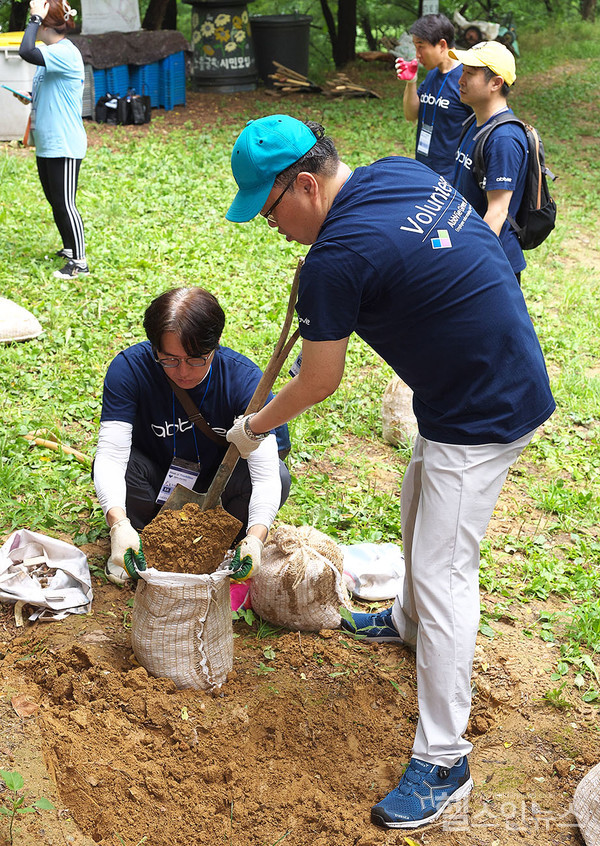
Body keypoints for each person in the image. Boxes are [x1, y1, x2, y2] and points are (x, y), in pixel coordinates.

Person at [224, 114, 555, 829]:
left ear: (304, 185)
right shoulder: (394, 174)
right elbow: (441, 260)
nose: (272, 227)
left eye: (270, 211)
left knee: (444, 575)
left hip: (485, 409)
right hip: (474, 378)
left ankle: (444, 761)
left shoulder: (335, 261)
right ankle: (405, 624)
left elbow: (320, 381)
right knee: (415, 500)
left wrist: (254, 427)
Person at [93, 287, 291, 586]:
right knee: (122, 468)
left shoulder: (243, 381)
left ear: (215, 345)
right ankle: (138, 539)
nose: (183, 372)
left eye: (196, 359)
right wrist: (118, 524)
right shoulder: (130, 369)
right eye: (169, 359)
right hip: (154, 483)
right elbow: (111, 455)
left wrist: (256, 537)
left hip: (217, 489)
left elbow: (265, 475)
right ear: (154, 348)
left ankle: (222, 544)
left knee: (279, 474)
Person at [18, 0, 89, 280]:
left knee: (65, 203)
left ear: (46, 25)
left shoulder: (64, 52)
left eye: (37, 22)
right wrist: (30, 97)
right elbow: (53, 90)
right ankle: (70, 249)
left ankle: (80, 263)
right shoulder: (51, 54)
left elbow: (25, 51)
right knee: (55, 200)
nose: (33, 26)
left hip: (64, 142)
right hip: (48, 142)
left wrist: (35, 17)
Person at [450, 41, 527, 281]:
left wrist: (470, 266)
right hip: (466, 250)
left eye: (470, 74)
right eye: (462, 71)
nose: (460, 80)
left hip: (491, 264)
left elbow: (497, 211)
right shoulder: (475, 123)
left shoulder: (504, 138)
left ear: (496, 83)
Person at [395, 14, 472, 183]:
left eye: (421, 47)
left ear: (442, 45)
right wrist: (411, 82)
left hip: (451, 177)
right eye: (415, 47)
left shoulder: (465, 79)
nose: (417, 55)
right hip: (424, 169)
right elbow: (411, 115)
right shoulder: (432, 75)